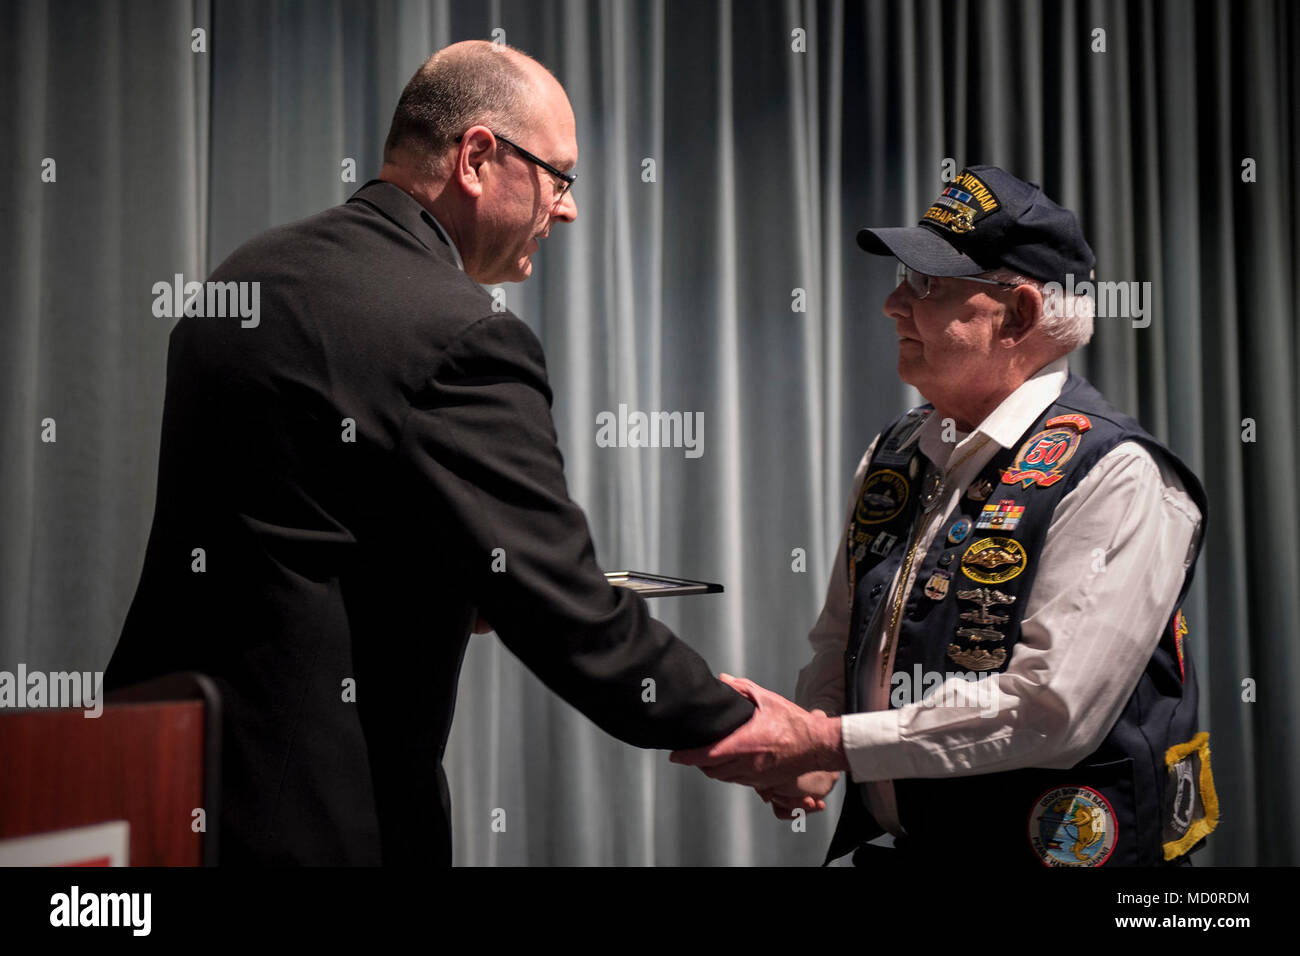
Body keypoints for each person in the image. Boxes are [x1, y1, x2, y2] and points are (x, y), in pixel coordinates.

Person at [104, 41, 755, 866]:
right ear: (479, 157)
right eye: (561, 177)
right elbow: (564, 610)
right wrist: (744, 722)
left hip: (154, 779)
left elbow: (298, 533)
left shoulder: (245, 276)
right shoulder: (461, 333)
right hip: (321, 817)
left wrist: (440, 584)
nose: (568, 210)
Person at [673, 166, 1219, 867]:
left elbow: (1051, 710)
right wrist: (814, 733)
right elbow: (841, 637)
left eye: (928, 285)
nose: (893, 304)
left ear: (1017, 315)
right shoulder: (895, 452)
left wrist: (831, 743)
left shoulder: (1118, 472)